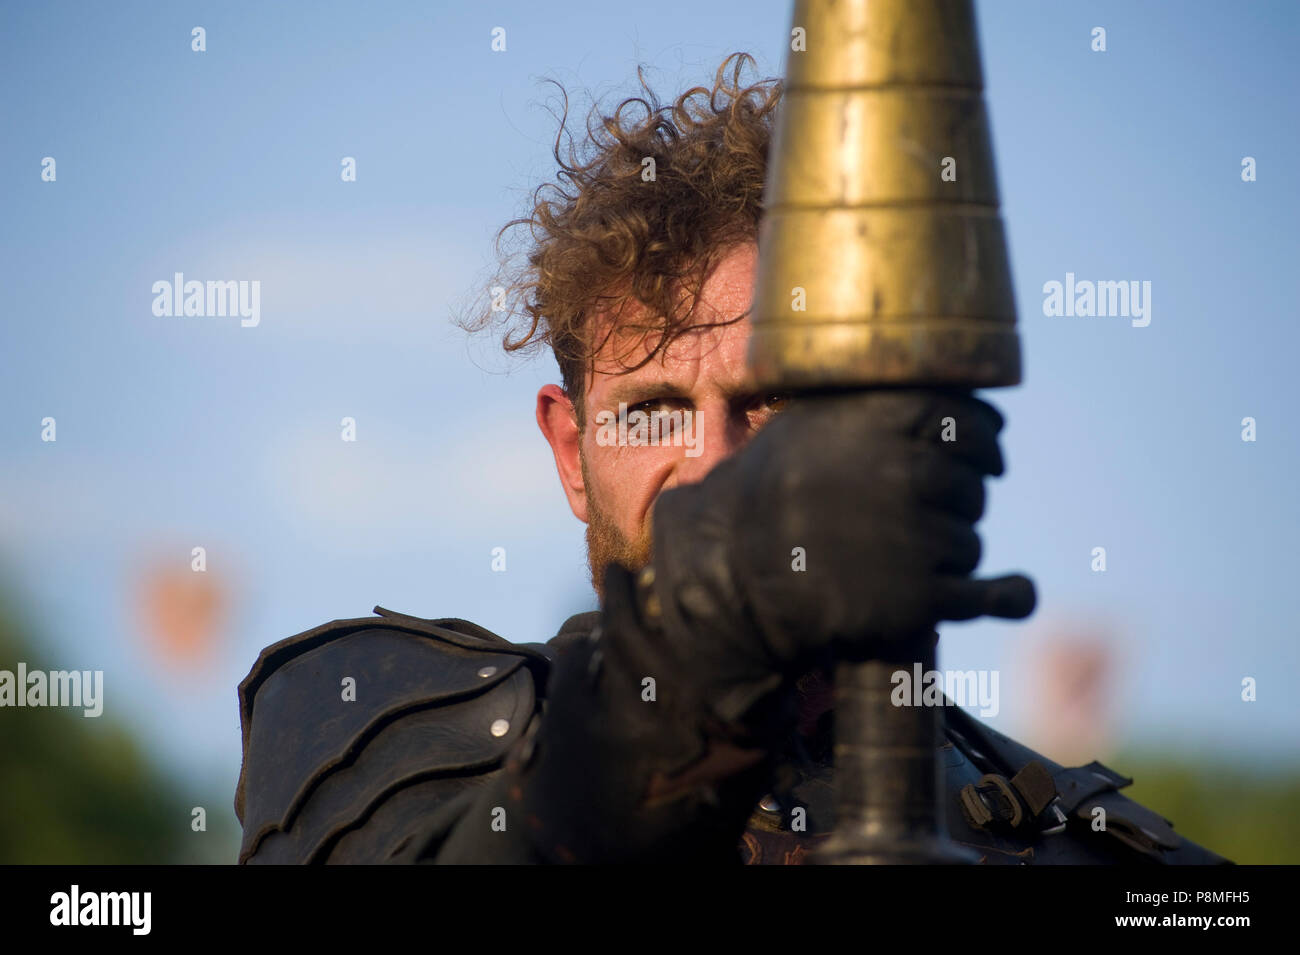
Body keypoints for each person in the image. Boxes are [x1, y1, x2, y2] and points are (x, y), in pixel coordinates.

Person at [233, 54, 1228, 865]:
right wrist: (724, 623)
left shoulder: (1092, 847)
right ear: (572, 451)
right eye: (654, 410)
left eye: (770, 403)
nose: (713, 465)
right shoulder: (375, 720)